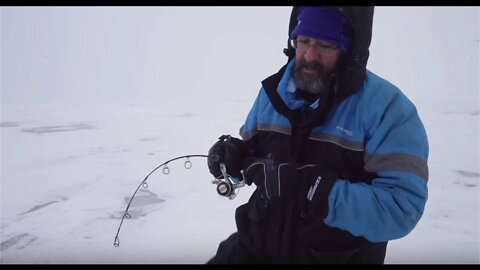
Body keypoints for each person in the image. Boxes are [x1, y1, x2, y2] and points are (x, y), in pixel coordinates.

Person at [206, 6, 429, 264]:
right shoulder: (271, 94)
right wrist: (234, 158)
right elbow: (256, 158)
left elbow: (400, 210)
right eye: (304, 41)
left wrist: (312, 189)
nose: (310, 55)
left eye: (325, 44)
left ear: (349, 51)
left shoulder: (389, 110)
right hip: (256, 247)